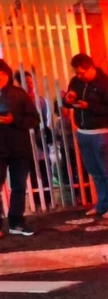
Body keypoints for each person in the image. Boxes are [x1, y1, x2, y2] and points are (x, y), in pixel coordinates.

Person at [62, 53, 108, 220]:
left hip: (103, 132)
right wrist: (69, 99)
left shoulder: (106, 84)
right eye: (76, 73)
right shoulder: (76, 82)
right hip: (84, 132)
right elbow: (67, 102)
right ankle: (101, 203)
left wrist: (89, 106)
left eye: (82, 72)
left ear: (91, 67)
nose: (79, 76)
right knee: (94, 171)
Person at [0, 60, 40, 238]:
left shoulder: (19, 94)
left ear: (8, 75)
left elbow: (34, 119)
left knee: (18, 186)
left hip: (19, 148)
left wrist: (14, 120)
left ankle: (16, 221)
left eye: (2, 74)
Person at [15, 71, 53, 210]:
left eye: (31, 82)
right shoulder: (16, 101)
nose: (30, 85)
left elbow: (46, 120)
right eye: (27, 83)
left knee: (44, 171)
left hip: (39, 142)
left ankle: (48, 201)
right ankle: (36, 201)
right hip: (24, 143)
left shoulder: (41, 100)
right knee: (29, 173)